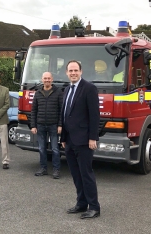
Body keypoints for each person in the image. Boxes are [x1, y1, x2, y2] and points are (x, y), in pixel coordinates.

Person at [60, 60, 101, 219]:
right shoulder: (67, 90)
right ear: (66, 73)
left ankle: (94, 207)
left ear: (81, 71)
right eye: (70, 71)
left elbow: (94, 116)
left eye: (75, 70)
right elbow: (65, 116)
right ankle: (81, 203)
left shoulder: (89, 89)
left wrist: (93, 138)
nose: (73, 73)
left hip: (84, 140)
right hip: (69, 140)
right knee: (76, 174)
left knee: (86, 174)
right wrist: (63, 137)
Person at [30, 72, 63, 179]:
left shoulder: (58, 92)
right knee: (41, 148)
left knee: (55, 149)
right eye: (45, 78)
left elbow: (61, 111)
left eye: (49, 78)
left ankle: (56, 170)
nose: (47, 80)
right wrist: (33, 125)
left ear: (52, 79)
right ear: (42, 79)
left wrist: (60, 125)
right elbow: (34, 111)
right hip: (40, 125)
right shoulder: (38, 93)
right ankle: (43, 168)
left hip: (53, 125)